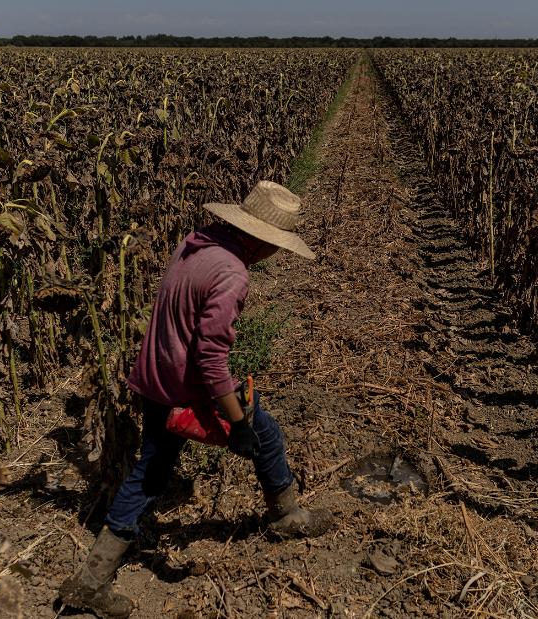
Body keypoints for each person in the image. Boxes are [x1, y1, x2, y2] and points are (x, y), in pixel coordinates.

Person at [59, 180, 333, 618]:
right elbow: (210, 359)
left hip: (155, 378)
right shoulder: (232, 274)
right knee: (265, 435)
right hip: (187, 389)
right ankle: (287, 516)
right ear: (263, 242)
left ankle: (92, 579)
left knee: (150, 473)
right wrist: (238, 423)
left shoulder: (195, 243)